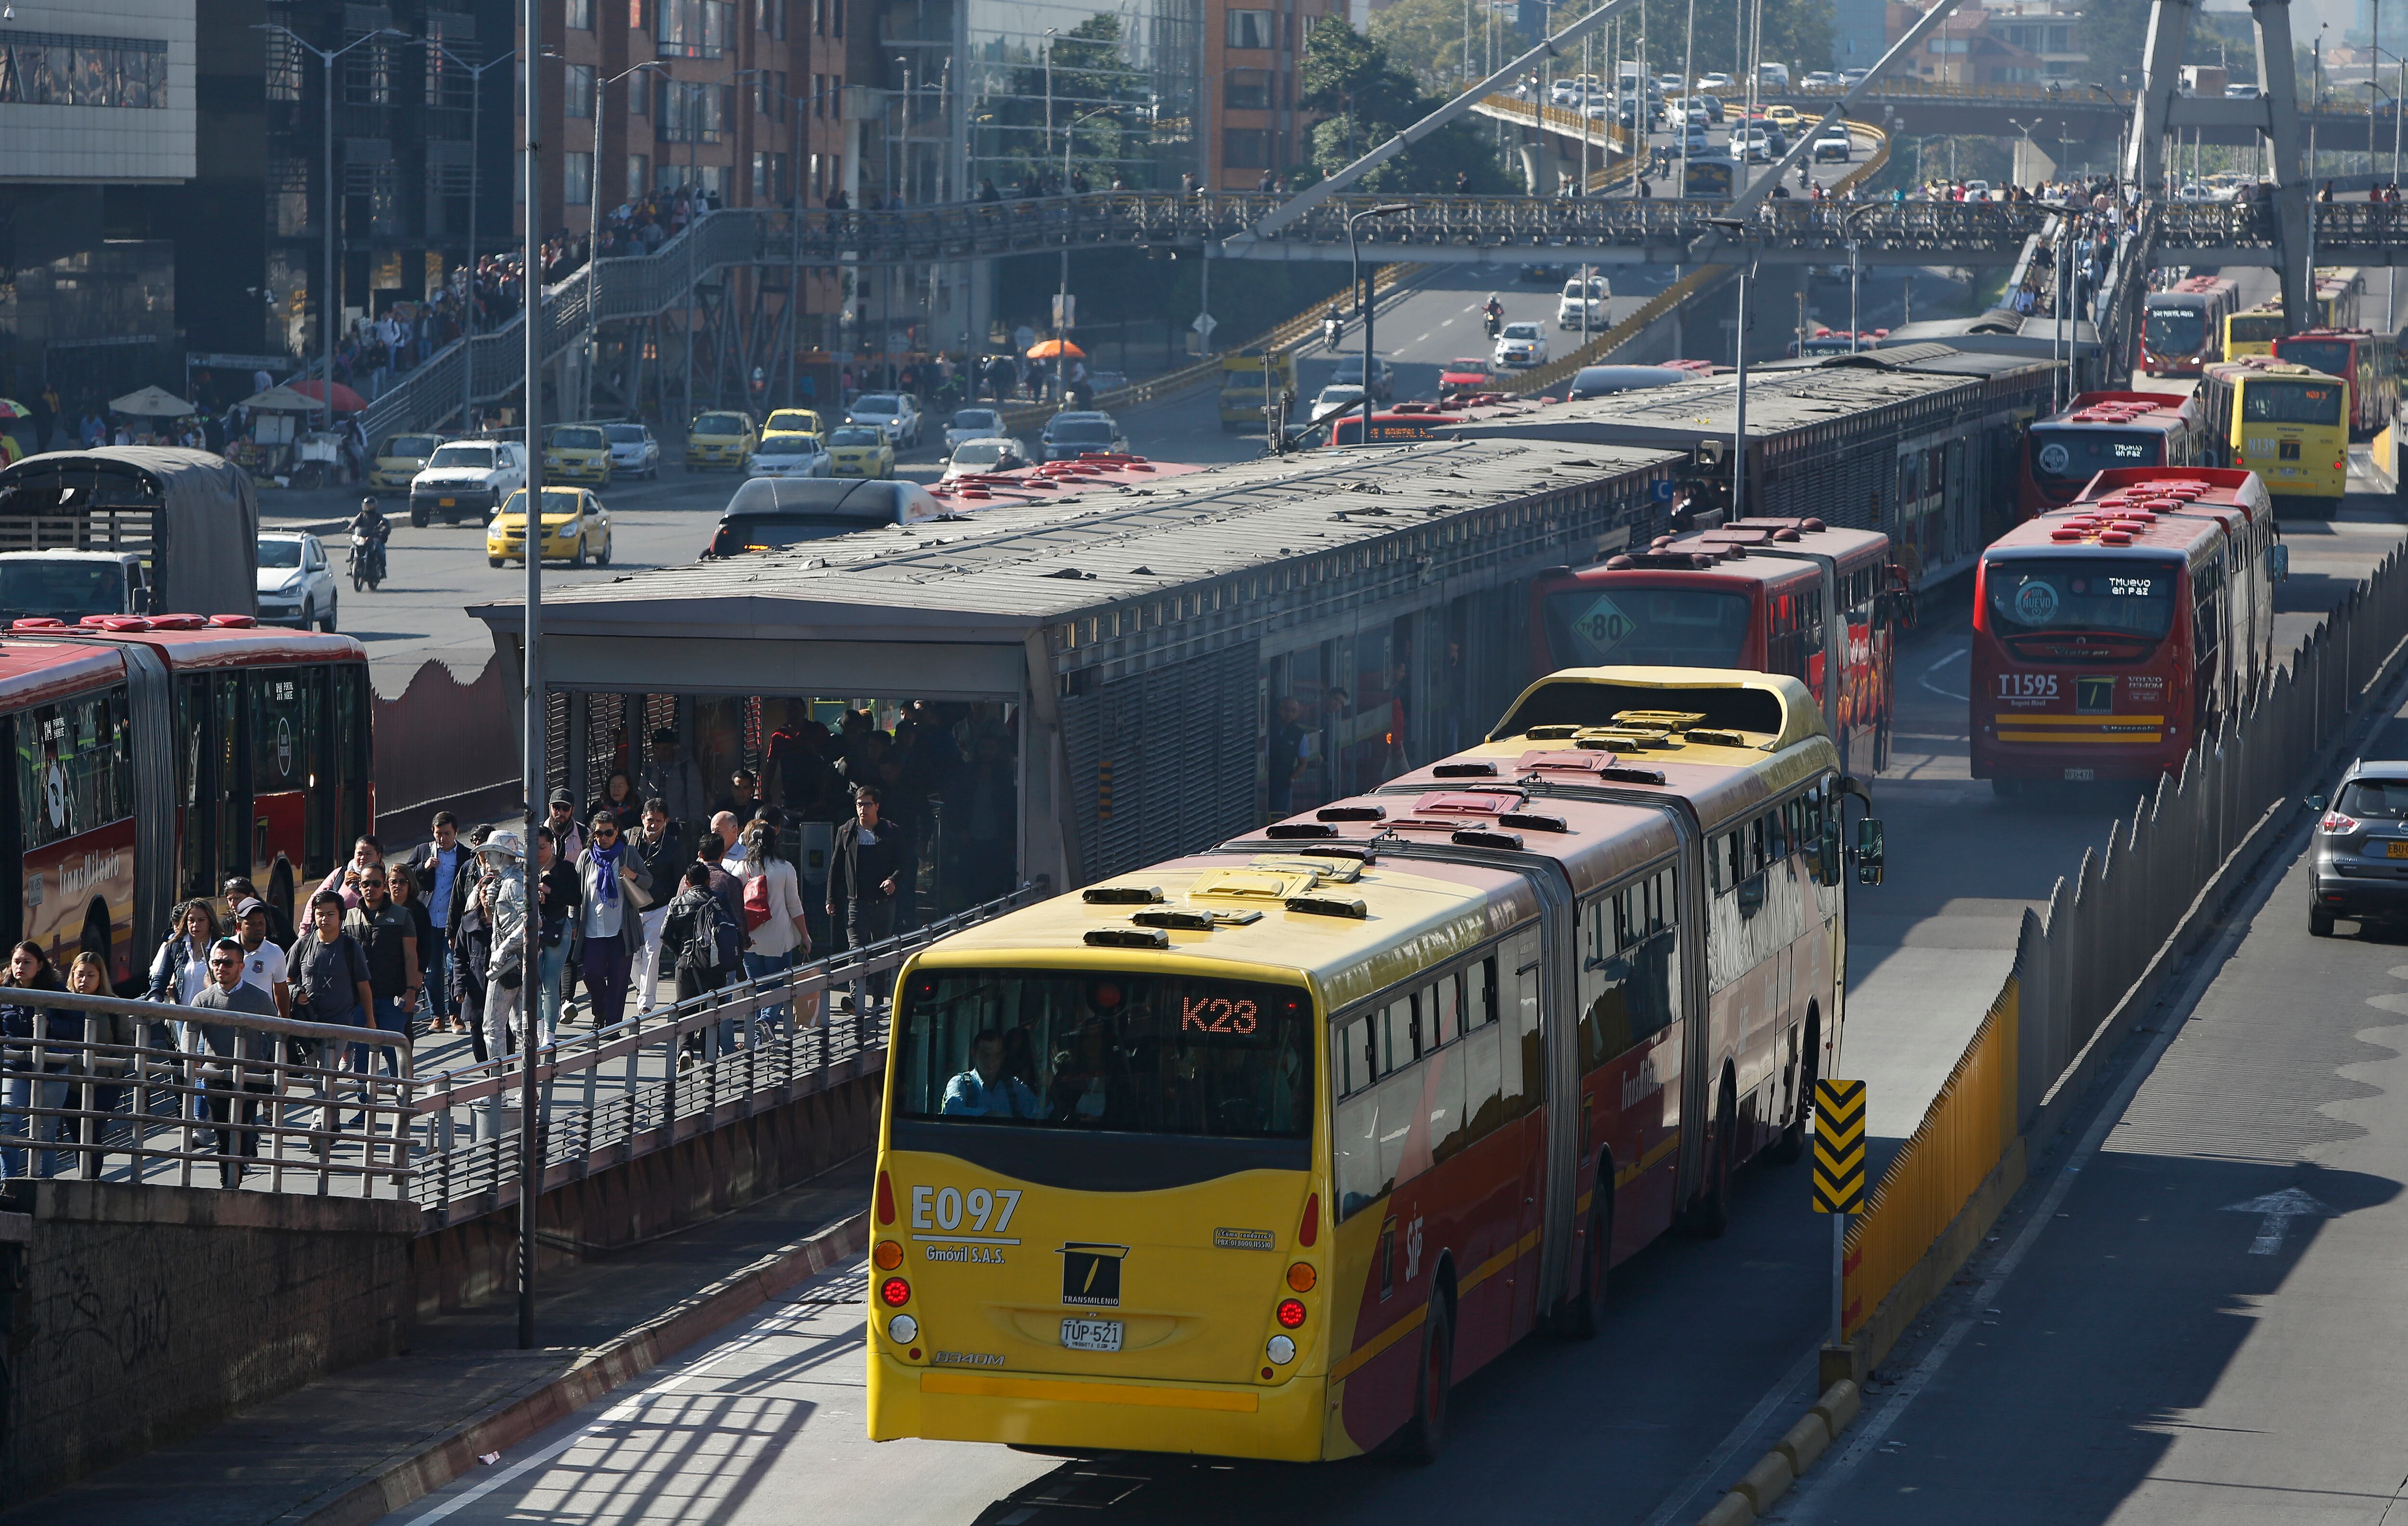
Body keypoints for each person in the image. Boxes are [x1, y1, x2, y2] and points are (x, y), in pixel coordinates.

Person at [188, 937, 279, 1185]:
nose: (221, 968)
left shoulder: (258, 999)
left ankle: (235, 1174)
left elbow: (277, 1033)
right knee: (223, 1132)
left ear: (241, 967)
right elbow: (191, 1032)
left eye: (228, 963)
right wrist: (192, 1063)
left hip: (250, 1076)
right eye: (217, 962)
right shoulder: (203, 999)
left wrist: (277, 1072)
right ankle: (228, 1182)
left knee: (240, 1126)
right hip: (216, 1076)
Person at [286, 891, 374, 1130]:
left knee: (326, 1071)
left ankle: (318, 1124)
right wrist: (296, 993)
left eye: (330, 914)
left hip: (340, 1022)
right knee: (319, 1076)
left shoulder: (350, 947)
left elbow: (363, 986)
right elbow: (287, 979)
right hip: (309, 1022)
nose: (325, 919)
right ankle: (332, 1120)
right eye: (320, 914)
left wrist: (371, 1021)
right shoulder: (303, 944)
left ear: (341, 917)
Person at [827, 785, 905, 1012]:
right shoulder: (847, 831)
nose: (863, 809)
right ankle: (856, 997)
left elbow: (904, 863)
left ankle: (879, 998)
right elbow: (836, 867)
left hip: (883, 903)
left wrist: (893, 881)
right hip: (856, 903)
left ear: (877, 806)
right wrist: (831, 898)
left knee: (881, 951)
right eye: (859, 804)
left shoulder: (891, 831)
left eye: (868, 804)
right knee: (857, 950)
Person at [733, 818, 811, 1045]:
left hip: (750, 939)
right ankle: (767, 1020)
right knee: (780, 987)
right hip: (779, 939)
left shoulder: (741, 868)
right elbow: (794, 905)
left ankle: (759, 1038)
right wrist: (805, 935)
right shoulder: (785, 868)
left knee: (757, 988)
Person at [0, 941, 70, 1177]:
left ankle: (43, 1184)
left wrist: (51, 1025)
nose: (20, 967)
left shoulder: (57, 991)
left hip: (52, 1068)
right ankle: (7, 1181)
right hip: (15, 1067)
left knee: (45, 1130)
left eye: (27, 962)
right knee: (8, 1123)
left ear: (40, 965)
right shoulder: (5, 991)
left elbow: (78, 1026)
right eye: (17, 962)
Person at [576, 810, 650, 1031]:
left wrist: (633, 876)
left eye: (609, 832)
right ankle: (601, 1010)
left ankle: (612, 1026)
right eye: (599, 833)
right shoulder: (587, 857)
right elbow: (577, 893)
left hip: (621, 930)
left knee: (619, 981)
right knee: (591, 974)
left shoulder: (628, 854)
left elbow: (648, 881)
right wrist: (573, 923)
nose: (604, 838)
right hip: (592, 930)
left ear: (617, 831)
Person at [409, 811, 474, 1032]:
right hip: (428, 921)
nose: (442, 838)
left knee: (454, 968)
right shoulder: (423, 851)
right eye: (439, 834)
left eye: (447, 834)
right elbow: (405, 876)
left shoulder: (466, 855)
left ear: (456, 833)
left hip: (452, 923)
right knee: (431, 971)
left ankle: (456, 1015)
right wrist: (424, 867)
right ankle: (438, 1016)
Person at [627, 799, 686, 1012]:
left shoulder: (673, 847)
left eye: (658, 821)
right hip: (632, 907)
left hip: (660, 906)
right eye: (649, 820)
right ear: (643, 818)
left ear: (666, 822)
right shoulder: (629, 839)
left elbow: (679, 878)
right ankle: (643, 989)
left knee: (652, 954)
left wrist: (675, 907)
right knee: (633, 956)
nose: (653, 825)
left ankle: (646, 1003)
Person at [531, 827, 580, 1043]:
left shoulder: (566, 868)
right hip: (532, 930)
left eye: (542, 847)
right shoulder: (526, 869)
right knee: (533, 981)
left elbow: (576, 898)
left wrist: (550, 892)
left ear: (552, 845)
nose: (539, 852)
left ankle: (549, 1035)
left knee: (550, 983)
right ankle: (539, 1028)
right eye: (534, 848)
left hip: (558, 928)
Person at [941, 1028, 1046, 1118]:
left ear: (1004, 1055)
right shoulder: (959, 1083)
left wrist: (1046, 1091)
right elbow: (951, 1112)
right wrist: (988, 1115)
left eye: (997, 1056)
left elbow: (1038, 1115)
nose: (992, 1062)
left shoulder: (1014, 1086)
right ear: (974, 1053)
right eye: (986, 1055)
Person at [147, 899, 221, 1004]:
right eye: (191, 920)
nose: (196, 925)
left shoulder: (220, 946)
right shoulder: (175, 946)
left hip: (209, 1015)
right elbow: (162, 978)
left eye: (202, 920)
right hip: (182, 1015)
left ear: (210, 921)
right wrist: (154, 998)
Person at [233, 898, 292, 1021]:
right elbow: (209, 976)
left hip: (263, 1026)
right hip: (231, 1021)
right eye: (252, 924)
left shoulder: (275, 952)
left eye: (261, 923)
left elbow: (281, 990)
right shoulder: (225, 949)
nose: (258, 928)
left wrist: (286, 1023)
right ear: (240, 926)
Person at [641, 728, 708, 833]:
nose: (661, 753)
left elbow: (695, 797)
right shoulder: (649, 768)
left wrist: (694, 822)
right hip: (654, 822)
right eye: (657, 749)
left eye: (665, 749)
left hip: (678, 823)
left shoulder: (686, 766)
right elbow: (642, 796)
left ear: (673, 747)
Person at [1266, 696, 1310, 818]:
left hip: (1282, 784)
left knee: (1278, 817)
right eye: (1286, 710)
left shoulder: (1300, 735)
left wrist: (1291, 779)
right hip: (1264, 781)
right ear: (1279, 710)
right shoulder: (1267, 729)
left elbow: (1303, 763)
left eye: (1293, 711)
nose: (1289, 714)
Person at [314, 834, 384, 910]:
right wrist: (306, 923)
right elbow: (315, 899)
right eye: (359, 854)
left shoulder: (387, 879)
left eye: (368, 854)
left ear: (379, 856)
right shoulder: (340, 874)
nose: (363, 858)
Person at [348, 496, 391, 585]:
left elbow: (385, 524)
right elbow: (355, 523)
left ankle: (383, 571)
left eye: (370, 506)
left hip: (374, 538)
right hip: (362, 537)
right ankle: (352, 564)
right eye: (367, 506)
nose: (368, 508)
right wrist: (350, 528)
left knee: (380, 551)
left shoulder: (378, 516)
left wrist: (383, 529)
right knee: (353, 548)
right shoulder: (361, 515)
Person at [586, 770, 641, 835]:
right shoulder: (597, 807)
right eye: (613, 786)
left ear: (628, 787)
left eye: (620, 786)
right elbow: (587, 830)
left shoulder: (636, 808)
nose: (616, 790)